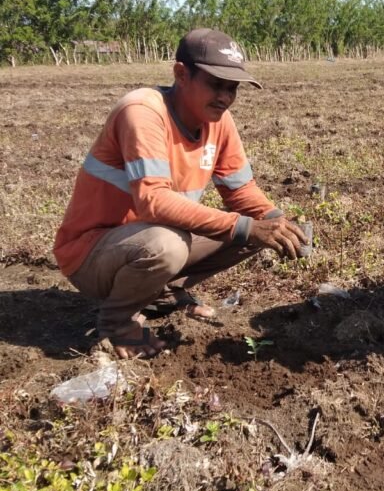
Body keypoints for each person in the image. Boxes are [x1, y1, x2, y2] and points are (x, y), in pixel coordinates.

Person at [54, 28, 308, 359]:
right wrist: (245, 225)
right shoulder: (143, 112)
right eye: (215, 84)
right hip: (92, 254)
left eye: (232, 88)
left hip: (146, 243)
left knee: (257, 231)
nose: (225, 97)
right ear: (181, 74)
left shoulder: (220, 121)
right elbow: (153, 201)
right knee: (168, 245)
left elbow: (240, 190)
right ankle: (116, 322)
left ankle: (163, 295)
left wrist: (278, 222)